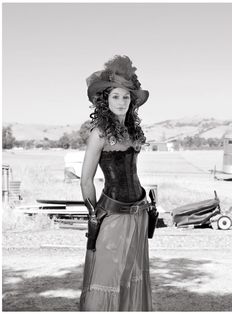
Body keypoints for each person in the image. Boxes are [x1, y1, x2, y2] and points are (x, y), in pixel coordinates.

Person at [79, 55, 152, 311]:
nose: (121, 102)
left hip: (140, 213)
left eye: (126, 97)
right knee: (108, 274)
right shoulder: (99, 132)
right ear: (105, 100)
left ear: (132, 101)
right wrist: (93, 215)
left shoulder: (133, 133)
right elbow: (86, 179)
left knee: (132, 273)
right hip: (112, 214)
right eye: (116, 97)